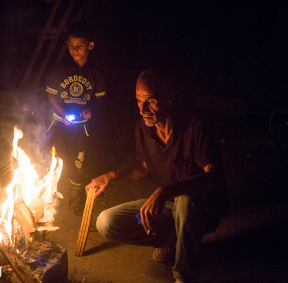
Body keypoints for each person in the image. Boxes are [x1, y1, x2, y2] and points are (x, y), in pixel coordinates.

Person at [85, 69, 228, 283]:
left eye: (150, 101)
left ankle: (184, 276)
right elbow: (143, 169)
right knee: (107, 222)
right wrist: (112, 175)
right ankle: (169, 237)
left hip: (201, 209)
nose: (142, 109)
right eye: (138, 101)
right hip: (167, 207)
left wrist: (165, 191)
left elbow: (215, 177)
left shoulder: (195, 124)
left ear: (169, 98)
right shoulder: (143, 128)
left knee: (184, 202)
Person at [46, 22, 106, 215]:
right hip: (59, 125)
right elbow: (51, 95)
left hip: (81, 128)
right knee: (54, 160)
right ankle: (50, 195)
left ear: (90, 45)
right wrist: (62, 112)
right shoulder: (60, 69)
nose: (74, 50)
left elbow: (99, 98)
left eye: (79, 45)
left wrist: (91, 112)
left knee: (78, 163)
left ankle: (74, 197)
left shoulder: (95, 73)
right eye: (71, 45)